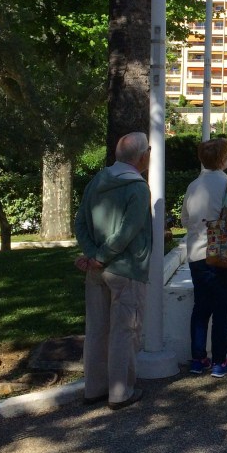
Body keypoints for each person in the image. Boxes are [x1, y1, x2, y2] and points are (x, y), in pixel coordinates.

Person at [74, 132, 152, 410]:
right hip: (126, 269)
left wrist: (94, 256)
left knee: (96, 329)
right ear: (144, 155)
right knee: (124, 331)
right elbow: (128, 231)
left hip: (97, 269)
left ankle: (94, 389)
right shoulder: (138, 187)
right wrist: (103, 256)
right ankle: (120, 393)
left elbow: (80, 221)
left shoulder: (97, 181)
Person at [180, 137, 227, 378]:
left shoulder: (193, 186)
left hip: (198, 253)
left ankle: (198, 358)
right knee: (222, 309)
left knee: (201, 307)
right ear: (224, 159)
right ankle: (220, 360)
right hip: (224, 252)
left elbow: (184, 220)